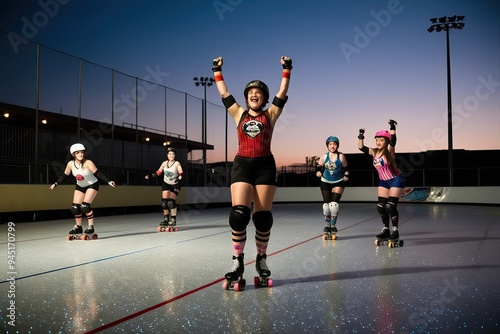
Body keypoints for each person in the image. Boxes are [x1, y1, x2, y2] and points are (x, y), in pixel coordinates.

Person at [212, 55, 292, 285]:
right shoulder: (239, 114)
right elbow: (224, 93)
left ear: (264, 98)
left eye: (258, 93)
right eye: (250, 93)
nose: (254, 95)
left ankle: (261, 259)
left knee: (263, 218)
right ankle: (237, 260)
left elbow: (283, 91)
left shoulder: (271, 115)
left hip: (265, 165)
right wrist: (217, 70)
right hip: (243, 165)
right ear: (247, 98)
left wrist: (287, 68)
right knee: (238, 215)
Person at [49, 143, 116, 234]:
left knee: (85, 206)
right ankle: (78, 227)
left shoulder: (88, 163)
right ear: (74, 154)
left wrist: (108, 181)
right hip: (80, 186)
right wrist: (56, 183)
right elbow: (65, 175)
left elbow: (98, 173)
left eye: (82, 152)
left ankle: (90, 227)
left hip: (92, 185)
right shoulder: (70, 164)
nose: (81, 154)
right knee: (75, 208)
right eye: (78, 153)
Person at [358, 119, 405, 241]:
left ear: (386, 141)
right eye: (377, 140)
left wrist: (392, 127)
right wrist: (361, 134)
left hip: (395, 180)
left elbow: (393, 141)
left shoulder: (389, 150)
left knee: (390, 207)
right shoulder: (374, 152)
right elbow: (361, 147)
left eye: (381, 140)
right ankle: (385, 229)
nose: (378, 142)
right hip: (383, 181)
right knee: (380, 207)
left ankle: (395, 230)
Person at [315, 136, 349, 237]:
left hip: (338, 181)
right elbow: (318, 166)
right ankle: (327, 225)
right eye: (330, 144)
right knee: (326, 206)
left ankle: (333, 226)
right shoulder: (324, 156)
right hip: (325, 181)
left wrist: (346, 175)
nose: (332, 146)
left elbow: (346, 168)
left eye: (334, 144)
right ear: (327, 146)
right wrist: (317, 172)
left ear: (337, 145)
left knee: (333, 205)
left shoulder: (341, 156)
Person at [145, 147, 183, 227]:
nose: (171, 155)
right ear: (167, 155)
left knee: (171, 201)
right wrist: (150, 176)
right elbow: (158, 172)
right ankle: (166, 219)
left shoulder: (177, 163)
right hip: (166, 183)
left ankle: (173, 219)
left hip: (175, 183)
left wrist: (180, 176)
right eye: (169, 154)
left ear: (175, 155)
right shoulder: (164, 163)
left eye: (173, 154)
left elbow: (180, 171)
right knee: (164, 203)